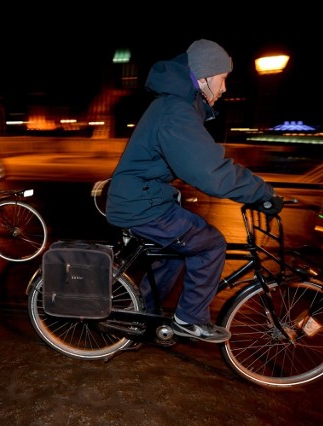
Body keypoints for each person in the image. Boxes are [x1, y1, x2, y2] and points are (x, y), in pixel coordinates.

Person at [105, 39, 284, 343]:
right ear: (203, 78)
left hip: (145, 198)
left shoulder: (178, 105)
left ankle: (144, 316)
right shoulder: (177, 112)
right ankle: (190, 320)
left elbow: (200, 161)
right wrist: (261, 192)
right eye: (222, 79)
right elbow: (209, 171)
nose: (225, 88)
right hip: (141, 204)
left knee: (177, 251)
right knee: (211, 244)